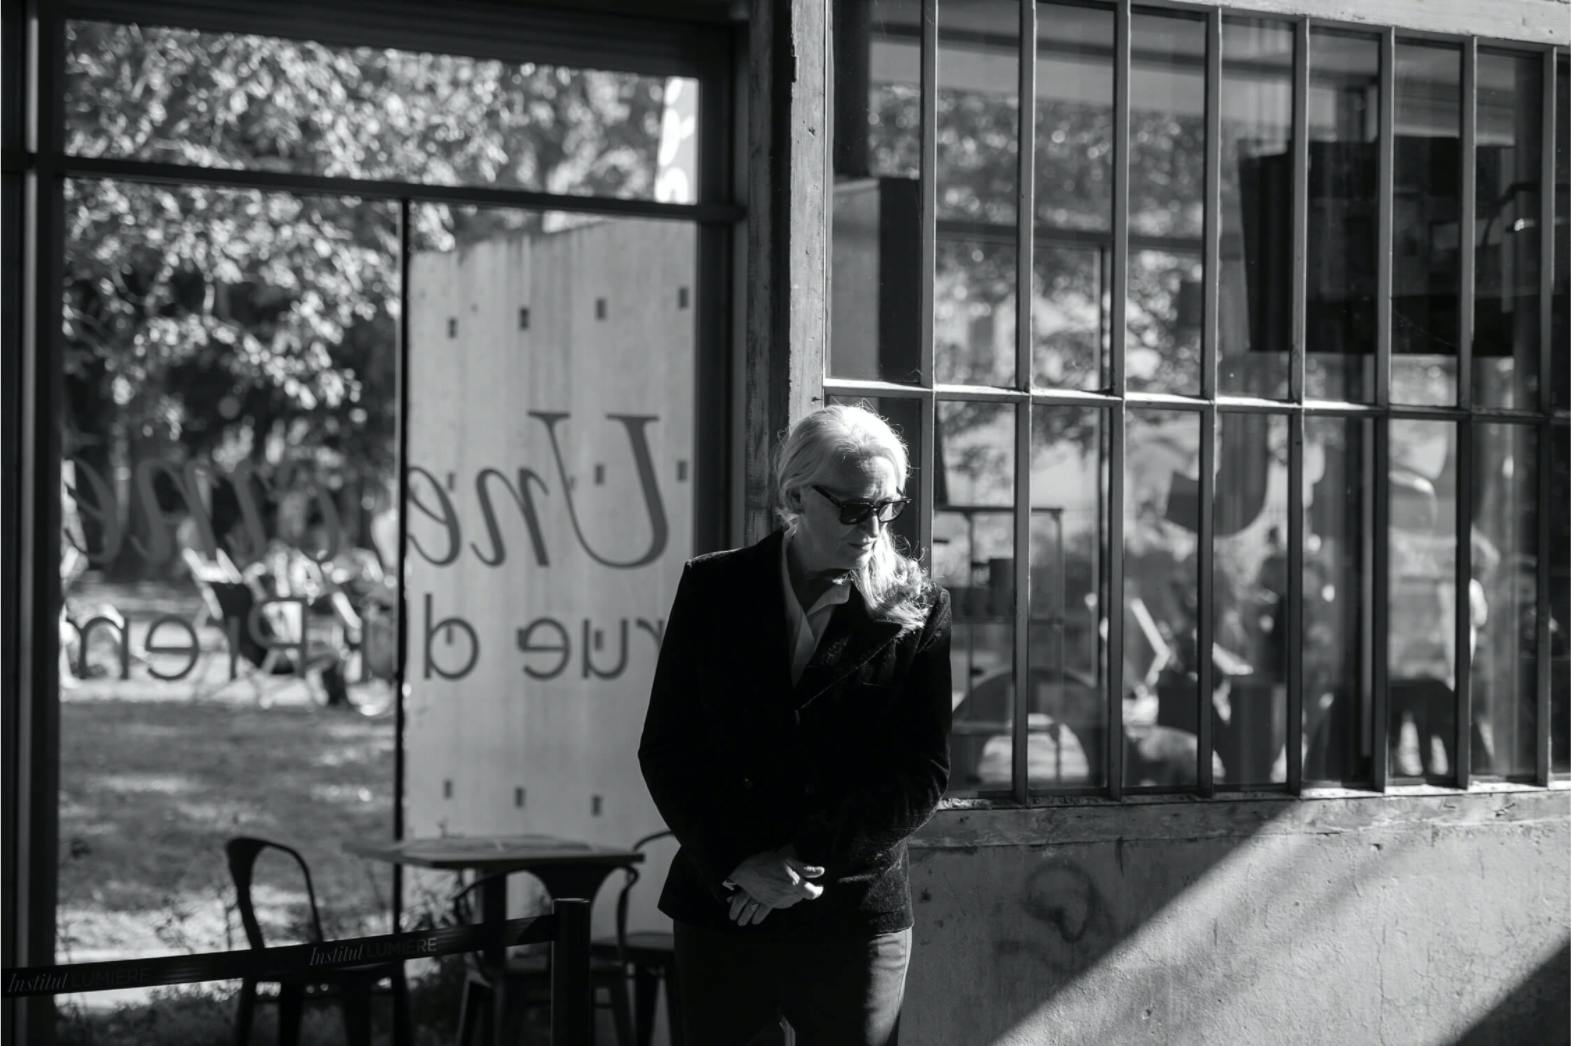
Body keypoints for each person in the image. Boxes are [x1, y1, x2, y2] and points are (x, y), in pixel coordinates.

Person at [638, 404, 953, 1046]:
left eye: (887, 507)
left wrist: (797, 864)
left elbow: (922, 776)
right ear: (794, 496)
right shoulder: (713, 587)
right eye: (853, 508)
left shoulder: (918, 604)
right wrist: (737, 862)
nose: (872, 527)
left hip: (850, 912)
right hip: (725, 907)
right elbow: (669, 748)